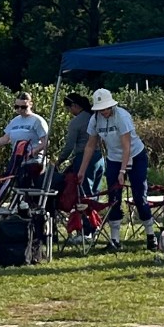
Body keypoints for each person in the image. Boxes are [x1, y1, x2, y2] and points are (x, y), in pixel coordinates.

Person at [78, 88, 159, 251]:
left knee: (139, 195)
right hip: (113, 158)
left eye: (106, 108)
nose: (104, 112)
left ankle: (151, 235)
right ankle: (115, 239)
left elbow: (126, 146)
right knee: (113, 197)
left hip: (135, 155)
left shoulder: (122, 116)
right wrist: (82, 170)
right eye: (101, 109)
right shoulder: (94, 120)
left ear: (112, 106)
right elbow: (90, 145)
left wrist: (123, 172)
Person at [0, 92, 49, 187]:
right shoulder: (15, 121)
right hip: (17, 159)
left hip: (33, 160)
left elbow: (46, 142)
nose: (20, 110)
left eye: (23, 107)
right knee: (10, 183)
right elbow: (6, 138)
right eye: (17, 107)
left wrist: (34, 151)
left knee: (26, 185)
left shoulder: (37, 120)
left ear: (30, 105)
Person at [58, 93, 103, 238]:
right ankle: (95, 227)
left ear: (75, 106)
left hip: (84, 159)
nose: (69, 112)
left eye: (69, 108)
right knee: (95, 194)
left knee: (83, 196)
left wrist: (59, 161)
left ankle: (87, 231)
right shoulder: (96, 117)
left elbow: (69, 146)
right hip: (100, 159)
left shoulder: (76, 122)